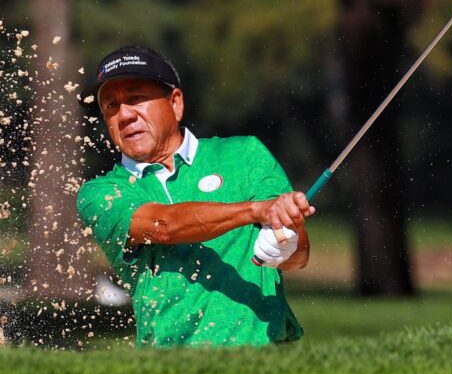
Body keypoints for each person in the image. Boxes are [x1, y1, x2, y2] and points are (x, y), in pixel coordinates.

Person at [77, 45, 315, 347]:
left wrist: (289, 241)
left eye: (135, 98)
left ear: (175, 103)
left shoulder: (245, 155)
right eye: (111, 106)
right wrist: (255, 211)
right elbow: (163, 226)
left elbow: (298, 257)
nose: (124, 115)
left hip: (261, 356)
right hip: (169, 364)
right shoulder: (101, 193)